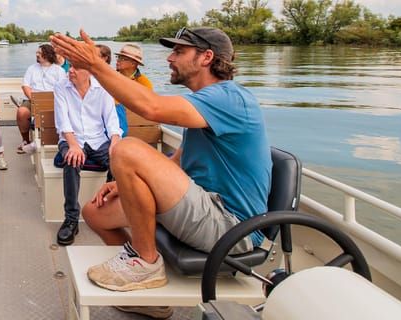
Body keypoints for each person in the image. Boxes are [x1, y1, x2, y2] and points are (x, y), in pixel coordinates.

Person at [51, 27, 270, 318]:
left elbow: (150, 107)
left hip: (231, 227)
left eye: (179, 52)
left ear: (207, 57)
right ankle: (149, 298)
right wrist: (125, 185)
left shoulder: (230, 98)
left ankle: (145, 262)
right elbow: (176, 162)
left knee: (126, 149)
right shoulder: (205, 101)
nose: (170, 58)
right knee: (95, 213)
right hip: (201, 206)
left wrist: (94, 65)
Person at [53, 66, 121, 246]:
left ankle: (108, 212)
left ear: (89, 71)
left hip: (98, 140)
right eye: (70, 66)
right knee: (71, 159)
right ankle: (71, 219)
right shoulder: (61, 87)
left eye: (76, 67)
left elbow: (112, 119)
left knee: (118, 163)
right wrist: (73, 145)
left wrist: (115, 142)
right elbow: (62, 122)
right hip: (71, 139)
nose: (70, 70)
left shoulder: (103, 88)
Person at [16, 44, 67, 154]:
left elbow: (62, 89)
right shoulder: (32, 69)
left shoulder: (59, 71)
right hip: (32, 99)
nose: (37, 55)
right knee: (22, 112)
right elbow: (25, 86)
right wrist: (34, 100)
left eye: (39, 53)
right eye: (37, 52)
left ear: (47, 55)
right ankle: (25, 140)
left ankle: (51, 140)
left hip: (52, 100)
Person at [113, 44, 154, 137]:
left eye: (123, 58)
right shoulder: (111, 78)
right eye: (118, 57)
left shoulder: (144, 82)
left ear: (133, 63)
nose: (118, 60)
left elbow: (149, 103)